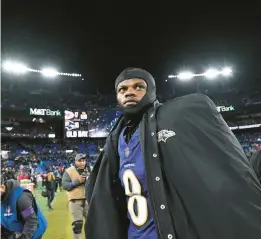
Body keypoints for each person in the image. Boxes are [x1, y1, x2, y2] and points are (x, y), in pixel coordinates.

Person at [85, 67, 261, 239]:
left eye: (138, 86)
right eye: (122, 89)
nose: (129, 92)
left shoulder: (172, 119)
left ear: (151, 91)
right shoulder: (117, 138)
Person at [62, 154, 89, 239]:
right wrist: (77, 181)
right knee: (77, 226)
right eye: (80, 161)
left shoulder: (89, 170)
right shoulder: (69, 171)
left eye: (83, 160)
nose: (82, 163)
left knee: (93, 224)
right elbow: (65, 186)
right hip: (75, 201)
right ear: (75, 161)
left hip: (88, 201)